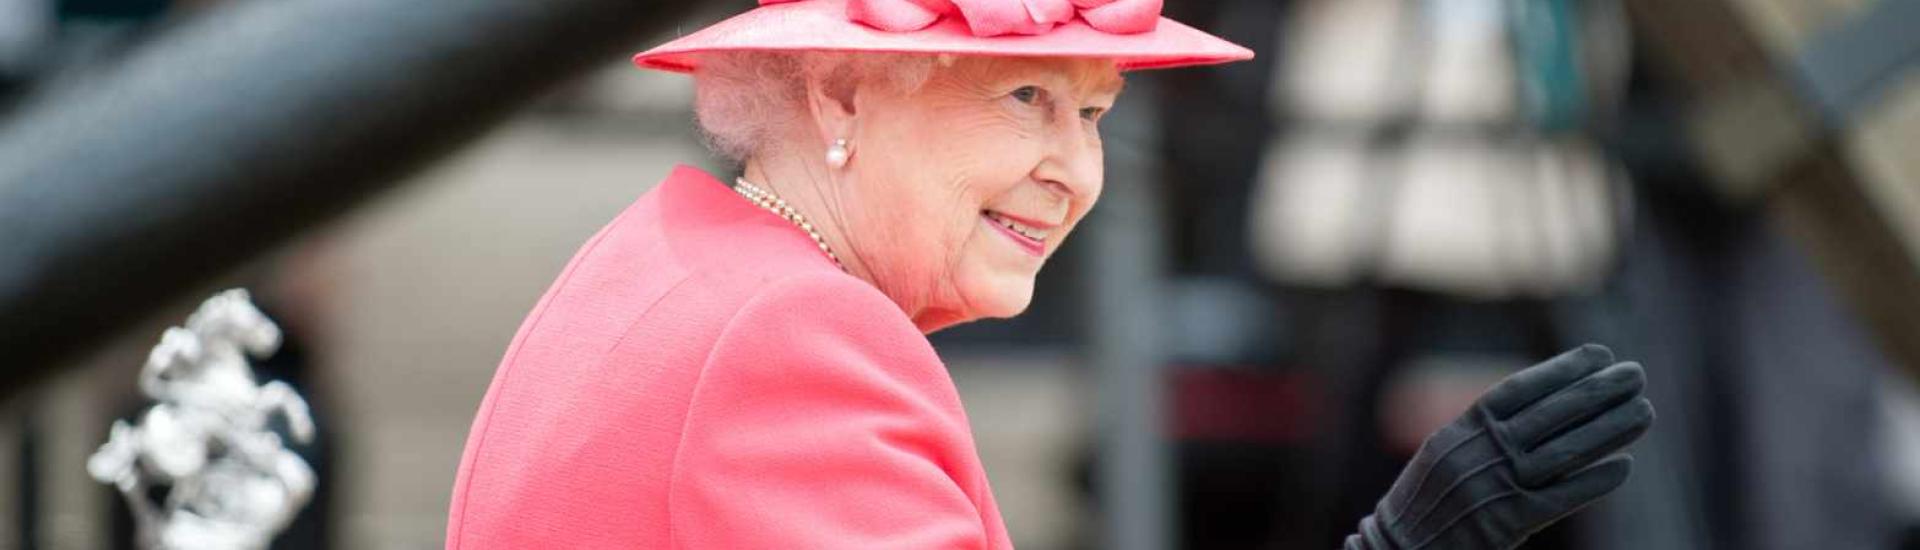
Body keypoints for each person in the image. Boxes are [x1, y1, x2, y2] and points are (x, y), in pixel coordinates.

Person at [443, 0, 1654, 548]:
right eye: (1027, 99)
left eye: (1094, 113)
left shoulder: (673, 262)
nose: (1074, 172)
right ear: (841, 91)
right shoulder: (793, 339)